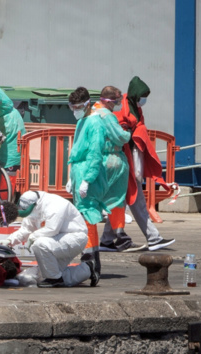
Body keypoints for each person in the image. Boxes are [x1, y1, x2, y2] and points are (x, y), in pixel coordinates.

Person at [102, 76, 176, 252]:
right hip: (122, 161)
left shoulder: (134, 108)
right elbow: (119, 133)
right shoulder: (120, 110)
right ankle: (153, 238)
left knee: (121, 201)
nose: (144, 100)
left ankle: (106, 240)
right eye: (142, 96)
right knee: (132, 200)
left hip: (125, 161)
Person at [0, 191, 99, 288]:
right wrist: (9, 241)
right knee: (35, 276)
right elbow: (26, 230)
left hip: (74, 238)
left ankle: (54, 279)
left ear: (36, 205)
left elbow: (52, 229)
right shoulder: (32, 209)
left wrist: (33, 236)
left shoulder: (55, 205)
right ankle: (87, 269)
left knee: (39, 244)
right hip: (56, 241)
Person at [65, 86, 108, 272]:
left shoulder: (95, 123)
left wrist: (87, 179)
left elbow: (95, 154)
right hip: (79, 173)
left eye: (78, 107)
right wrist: (71, 178)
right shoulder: (82, 121)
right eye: (72, 107)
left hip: (88, 175)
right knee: (82, 217)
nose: (75, 110)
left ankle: (90, 261)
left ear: (87, 104)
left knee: (88, 217)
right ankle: (90, 259)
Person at [93, 86, 133, 252]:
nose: (117, 104)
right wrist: (128, 133)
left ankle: (106, 239)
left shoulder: (92, 112)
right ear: (110, 100)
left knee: (96, 199)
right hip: (111, 159)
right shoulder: (108, 116)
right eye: (117, 101)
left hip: (95, 160)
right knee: (116, 198)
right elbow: (120, 137)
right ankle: (119, 234)